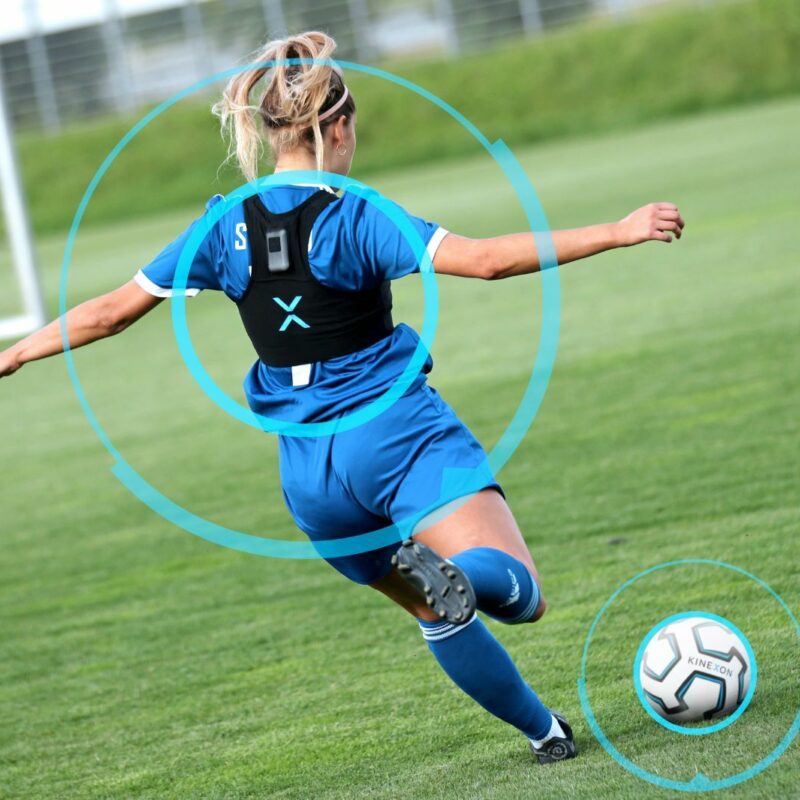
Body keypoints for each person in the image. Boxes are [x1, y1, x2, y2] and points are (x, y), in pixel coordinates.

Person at [0, 31, 684, 764]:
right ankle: (467, 574)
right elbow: (484, 262)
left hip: (311, 481)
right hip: (393, 435)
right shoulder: (355, 217)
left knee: (436, 611)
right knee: (517, 592)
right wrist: (618, 230)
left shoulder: (221, 225)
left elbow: (108, 313)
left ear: (268, 134)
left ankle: (544, 733)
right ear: (338, 128)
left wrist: (13, 352)